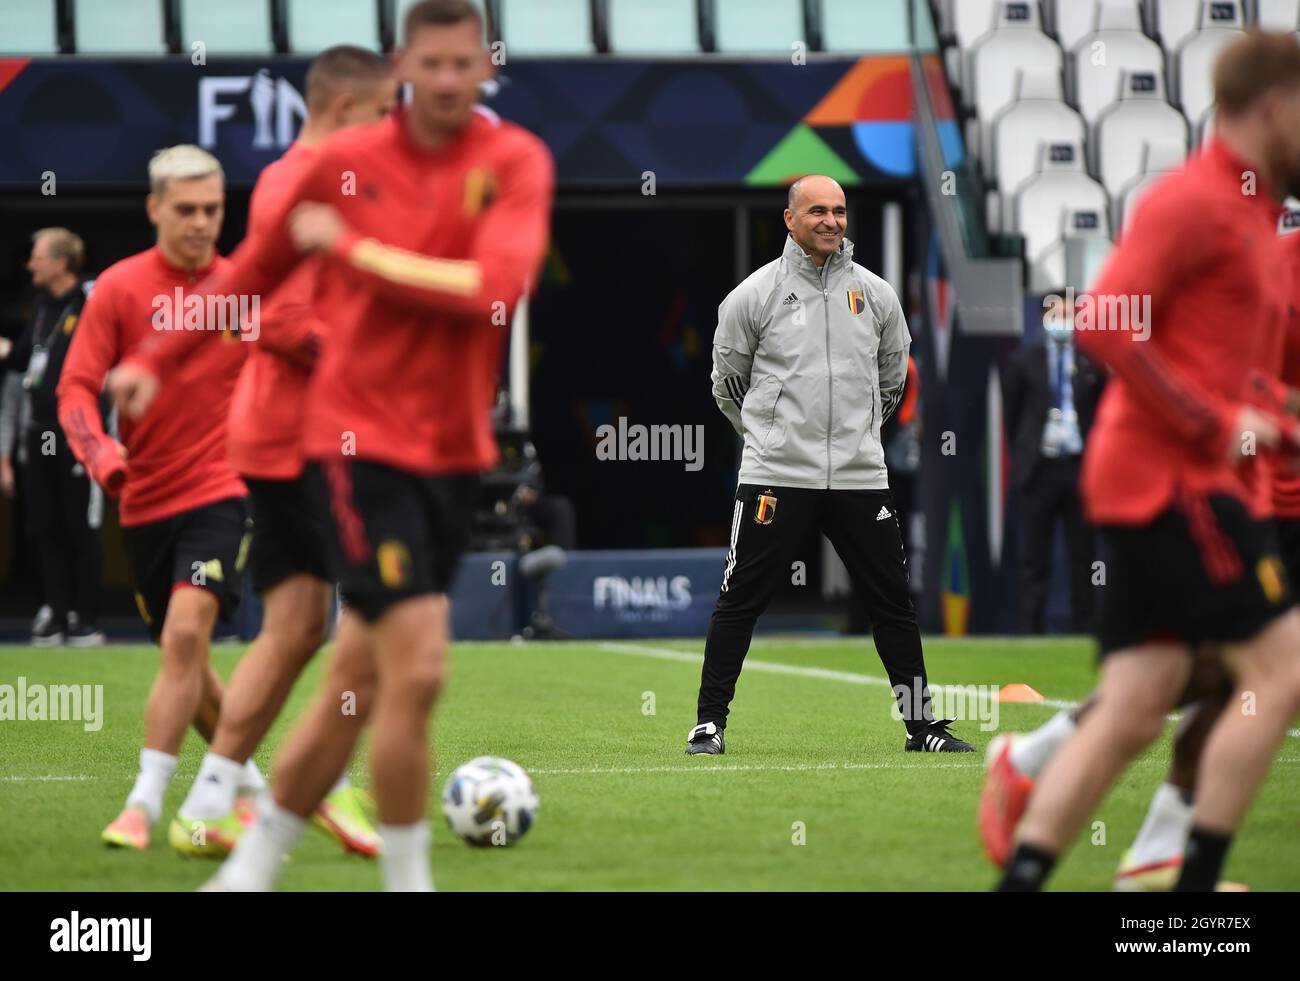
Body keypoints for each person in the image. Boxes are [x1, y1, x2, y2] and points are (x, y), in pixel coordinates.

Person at [110, 0, 555, 891]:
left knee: (350, 664)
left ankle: (244, 857)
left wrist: (357, 254)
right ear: (403, 70)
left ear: (483, 68)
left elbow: (494, 288)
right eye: (428, 65)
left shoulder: (514, 159)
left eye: (462, 65)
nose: (445, 81)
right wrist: (156, 357)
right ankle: (406, 876)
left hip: (454, 447)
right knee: (416, 665)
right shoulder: (341, 165)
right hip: (356, 442)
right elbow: (253, 274)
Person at [995, 31, 1300, 892]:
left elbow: (1236, 372)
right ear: (1275, 107)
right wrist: (1212, 421)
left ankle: (1032, 870)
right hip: (1174, 481)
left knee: (1136, 704)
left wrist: (1269, 413)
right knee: (1281, 673)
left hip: (1175, 477)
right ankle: (1188, 894)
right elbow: (1101, 323)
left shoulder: (1251, 215)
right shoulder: (1194, 201)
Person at [163, 45, 397, 860]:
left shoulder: (314, 183)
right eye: (381, 113)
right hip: (303, 437)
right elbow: (276, 320)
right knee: (379, 622)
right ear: (341, 110)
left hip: (286, 433)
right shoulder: (299, 183)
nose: (391, 129)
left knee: (298, 625)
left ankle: (212, 798)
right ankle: (315, 786)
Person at [687, 174, 974, 756]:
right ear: (789, 219)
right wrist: (768, 438)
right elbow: (727, 385)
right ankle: (708, 726)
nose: (831, 221)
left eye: (839, 211)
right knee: (740, 599)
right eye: (817, 210)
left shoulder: (876, 295)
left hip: (858, 475)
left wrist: (861, 434)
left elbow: (894, 380)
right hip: (775, 473)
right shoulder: (753, 295)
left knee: (892, 603)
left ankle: (923, 730)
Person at [57, 146, 261, 850]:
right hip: (142, 500)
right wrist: (102, 454)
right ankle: (263, 794)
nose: (203, 223)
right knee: (191, 665)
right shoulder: (116, 288)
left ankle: (142, 804)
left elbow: (291, 363)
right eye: (187, 210)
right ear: (153, 208)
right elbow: (76, 387)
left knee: (184, 636)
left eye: (214, 209)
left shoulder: (244, 288)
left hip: (225, 489)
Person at [0, 228, 103, 646]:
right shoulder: (41, 306)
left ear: (61, 263)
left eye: (38, 257)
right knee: (44, 527)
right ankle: (58, 614)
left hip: (80, 437)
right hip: (37, 436)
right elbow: (24, 359)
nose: (30, 265)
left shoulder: (91, 303)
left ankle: (86, 619)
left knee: (81, 526)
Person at [1002, 297, 1105, 633]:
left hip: (1079, 469)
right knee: (1034, 558)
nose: (1063, 320)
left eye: (1069, 314)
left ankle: (1083, 631)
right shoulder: (1023, 362)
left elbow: (1101, 417)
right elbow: (1012, 417)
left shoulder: (1091, 363)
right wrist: (1026, 456)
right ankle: (1031, 632)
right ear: (1044, 318)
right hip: (1040, 469)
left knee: (1082, 555)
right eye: (1057, 314)